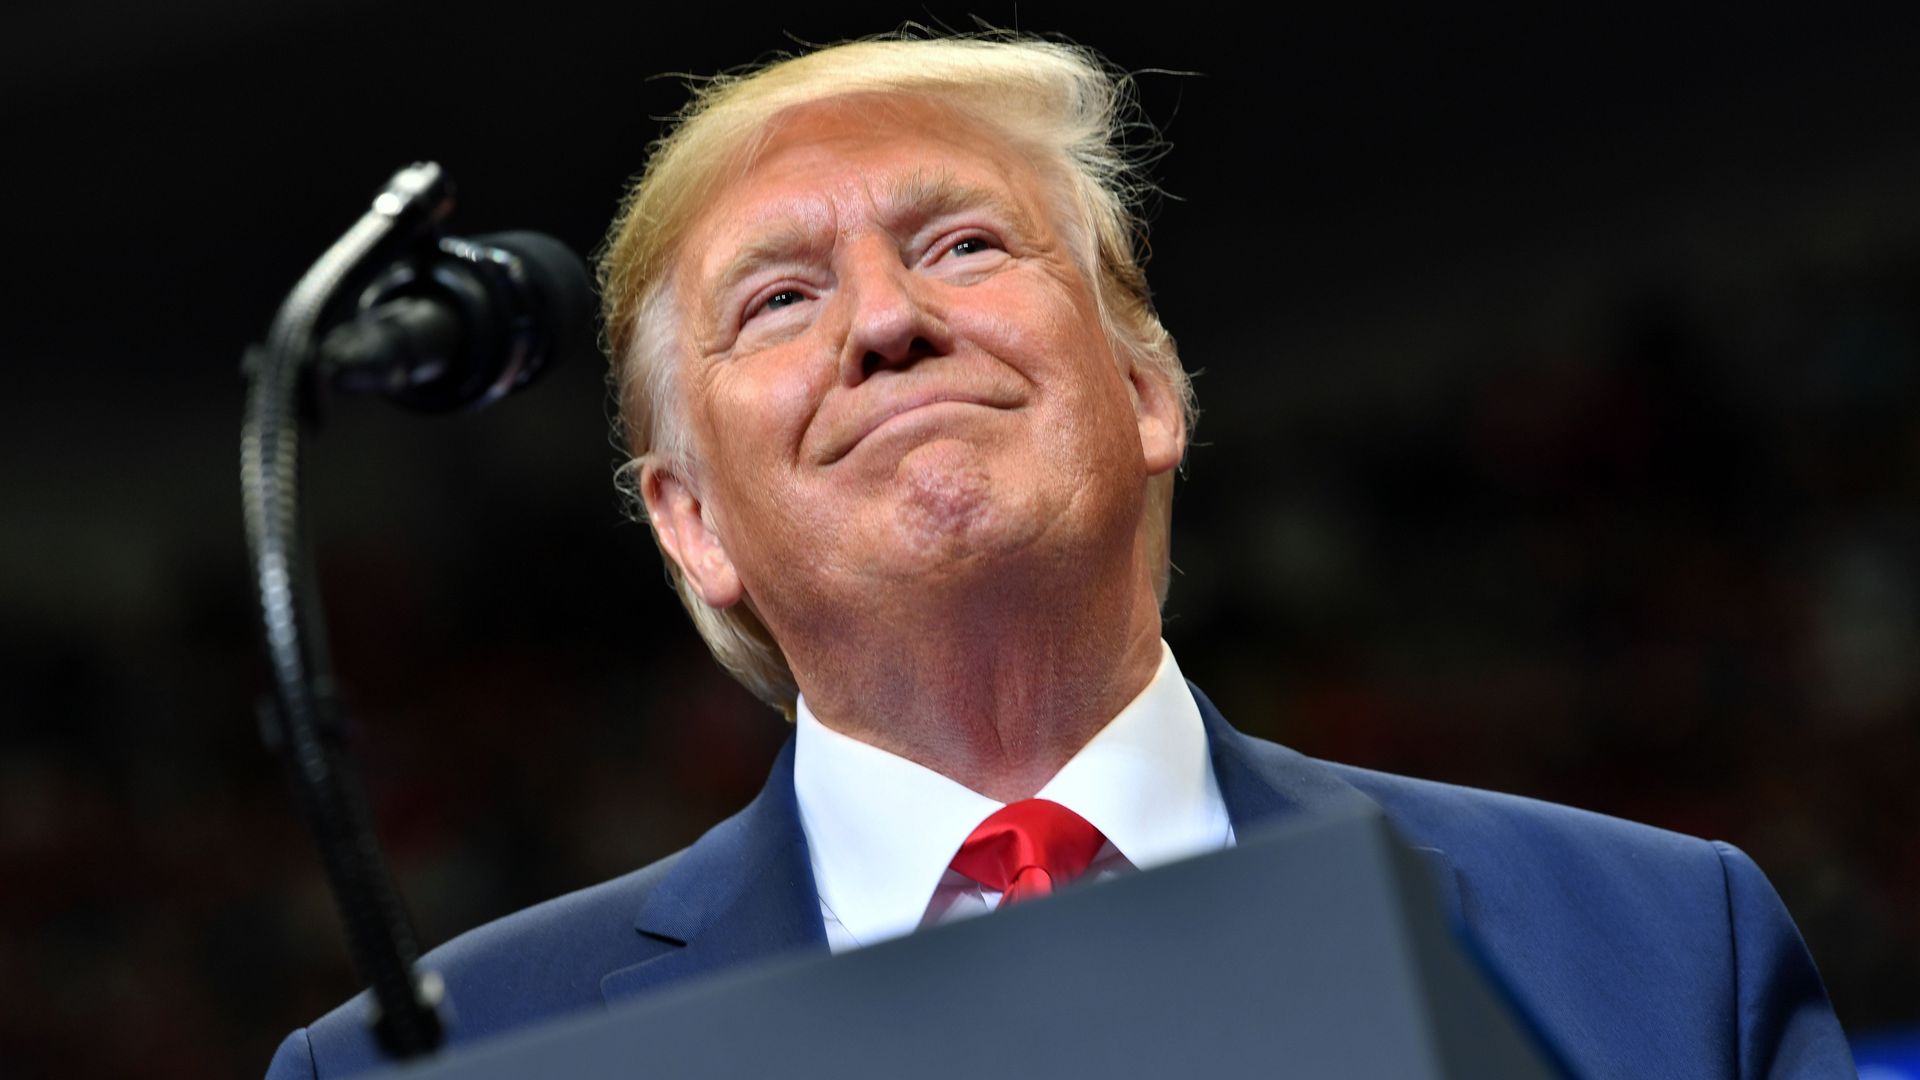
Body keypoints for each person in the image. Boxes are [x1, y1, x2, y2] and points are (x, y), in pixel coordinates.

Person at [268, 33, 1853, 1078]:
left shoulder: (1659, 949)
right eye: (779, 300)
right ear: (692, 526)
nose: (888, 322)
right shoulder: (436, 1062)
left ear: (1152, 395)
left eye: (963, 243)